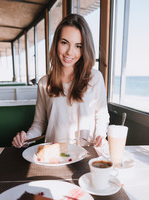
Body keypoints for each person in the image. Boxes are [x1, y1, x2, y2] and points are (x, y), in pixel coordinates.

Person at [12, 14, 109, 148]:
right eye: (64, 43)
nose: (70, 52)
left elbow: (102, 115)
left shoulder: (95, 77)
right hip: (54, 155)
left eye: (78, 46)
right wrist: (26, 138)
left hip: (86, 154)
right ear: (56, 43)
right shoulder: (44, 83)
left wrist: (100, 135)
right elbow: (39, 123)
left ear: (84, 49)